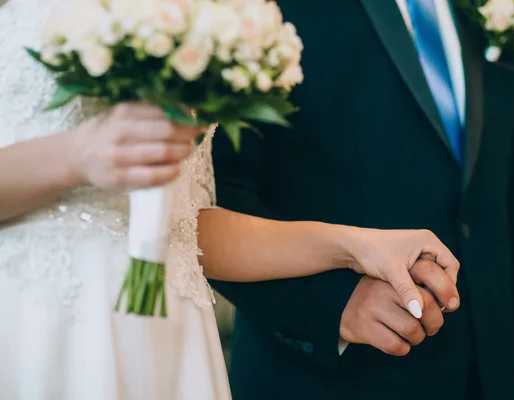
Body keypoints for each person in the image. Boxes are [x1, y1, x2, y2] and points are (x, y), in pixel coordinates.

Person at [0, 1, 461, 399]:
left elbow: (187, 228)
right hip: (37, 322)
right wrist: (77, 155)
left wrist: (354, 245)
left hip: (167, 335)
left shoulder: (202, 15)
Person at [211, 0, 514, 399]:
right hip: (330, 379)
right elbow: (212, 202)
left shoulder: (497, 7)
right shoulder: (258, 8)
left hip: (492, 376)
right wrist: (334, 303)